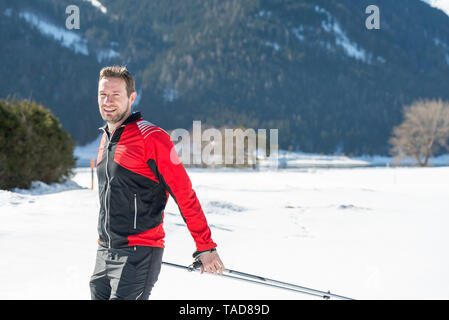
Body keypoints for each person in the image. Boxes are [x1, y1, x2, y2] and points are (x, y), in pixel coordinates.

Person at [89, 65, 224, 300]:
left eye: (115, 95)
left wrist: (206, 246)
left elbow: (184, 194)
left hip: (138, 252)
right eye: (103, 95)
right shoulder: (106, 139)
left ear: (132, 97)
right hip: (105, 252)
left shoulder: (153, 138)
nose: (107, 101)